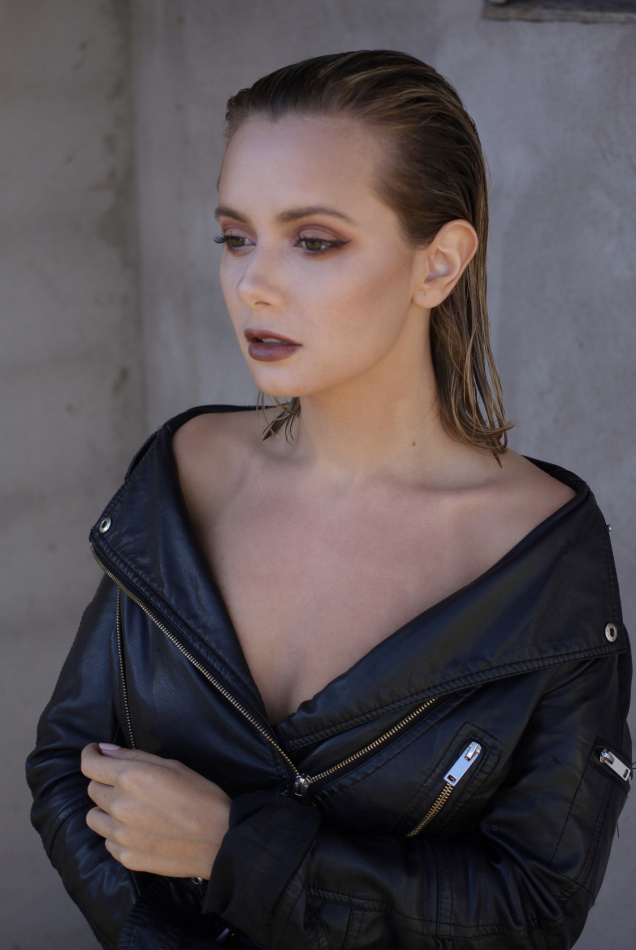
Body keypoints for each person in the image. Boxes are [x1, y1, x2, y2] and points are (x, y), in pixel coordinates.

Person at [26, 50, 631, 950]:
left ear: (439, 264)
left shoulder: (541, 557)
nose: (253, 284)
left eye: (313, 241)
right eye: (236, 237)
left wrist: (237, 851)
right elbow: (67, 767)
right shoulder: (184, 468)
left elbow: (533, 908)